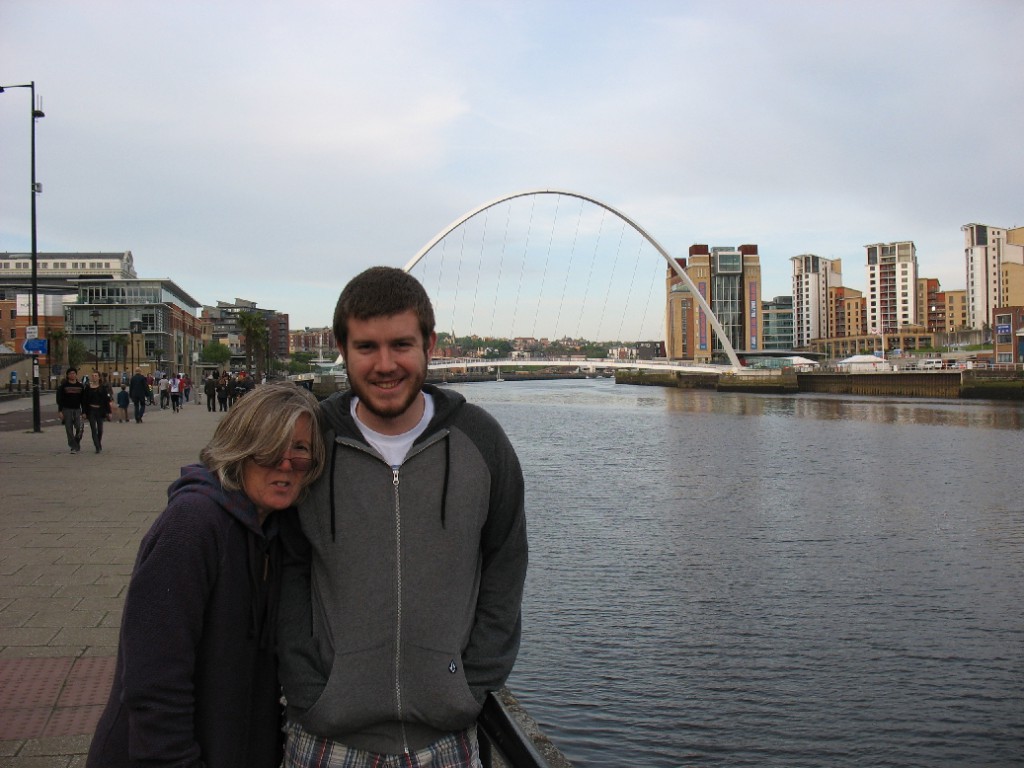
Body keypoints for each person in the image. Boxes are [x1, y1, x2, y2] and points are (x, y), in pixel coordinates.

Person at [277, 266, 528, 767]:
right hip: (325, 740)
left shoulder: (481, 443)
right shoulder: (310, 443)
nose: (385, 364)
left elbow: (506, 561)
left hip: (444, 742)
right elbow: (286, 564)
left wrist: (472, 680)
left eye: (401, 345)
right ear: (343, 350)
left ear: (429, 344)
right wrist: (309, 683)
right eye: (366, 347)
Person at [86, 382, 326, 768]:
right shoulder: (192, 525)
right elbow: (154, 679)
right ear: (240, 448)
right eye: (269, 448)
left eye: (300, 450)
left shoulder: (279, 534)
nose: (285, 464)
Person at [56, 367, 86, 454]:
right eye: (70, 374)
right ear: (68, 375)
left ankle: (76, 442)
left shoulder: (80, 386)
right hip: (66, 409)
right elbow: (60, 399)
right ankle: (73, 447)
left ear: (76, 375)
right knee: (69, 429)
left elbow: (83, 400)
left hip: (77, 409)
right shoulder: (63, 386)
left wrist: (84, 411)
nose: (72, 375)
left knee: (79, 427)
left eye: (74, 373)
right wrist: (60, 411)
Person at [83, 370, 114, 454]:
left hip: (100, 410)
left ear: (99, 377)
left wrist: (109, 412)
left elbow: (106, 401)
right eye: (93, 375)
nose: (94, 377)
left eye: (96, 375)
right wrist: (84, 412)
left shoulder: (102, 388)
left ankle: (98, 442)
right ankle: (97, 446)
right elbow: (84, 401)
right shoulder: (88, 388)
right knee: (93, 429)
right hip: (91, 410)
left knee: (100, 429)